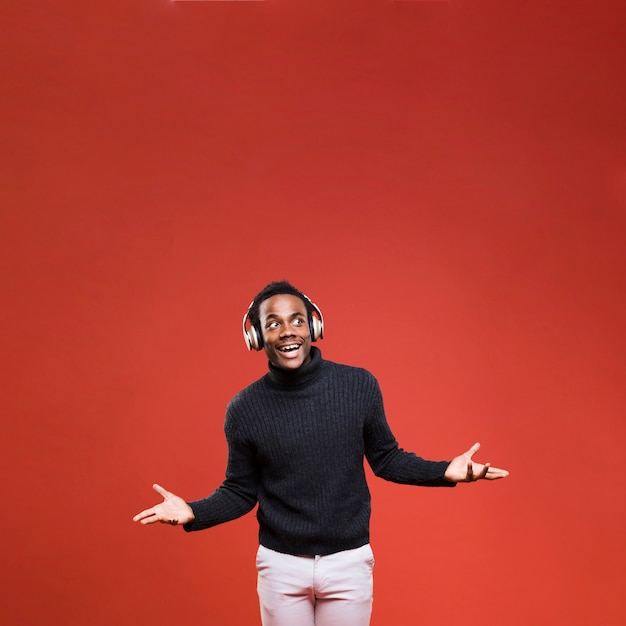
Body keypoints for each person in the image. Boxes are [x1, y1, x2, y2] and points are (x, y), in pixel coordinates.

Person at [133, 280, 509, 626]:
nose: (287, 332)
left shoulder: (359, 385)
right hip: (280, 567)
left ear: (313, 326)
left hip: (349, 561)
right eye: (274, 323)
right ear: (256, 335)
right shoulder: (244, 409)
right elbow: (240, 491)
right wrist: (193, 513)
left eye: (296, 320)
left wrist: (444, 471)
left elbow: (387, 459)